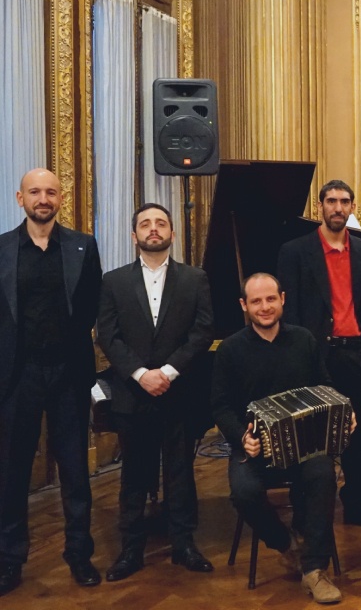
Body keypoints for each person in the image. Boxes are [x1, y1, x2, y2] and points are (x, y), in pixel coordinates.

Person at [96, 203, 214, 581]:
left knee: (181, 470)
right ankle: (131, 548)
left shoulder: (196, 279)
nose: (153, 229)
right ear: (134, 236)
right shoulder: (113, 281)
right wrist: (139, 374)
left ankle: (184, 543)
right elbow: (107, 335)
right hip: (134, 391)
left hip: (178, 390)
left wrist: (166, 371)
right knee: (134, 472)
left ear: (172, 234)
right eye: (145, 224)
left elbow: (203, 331)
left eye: (160, 223)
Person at [211, 273, 344, 604]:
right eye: (256, 301)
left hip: (305, 445)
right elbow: (221, 406)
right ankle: (286, 545)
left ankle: (314, 570)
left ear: (282, 298)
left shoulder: (304, 340)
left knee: (323, 473)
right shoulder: (230, 349)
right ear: (244, 306)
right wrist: (242, 436)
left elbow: (325, 386)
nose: (265, 307)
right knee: (243, 492)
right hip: (255, 448)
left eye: (270, 299)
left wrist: (343, 411)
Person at [0, 169, 102, 596]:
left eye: (51, 192)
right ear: (20, 196)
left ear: (62, 199)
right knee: (11, 472)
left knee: (76, 471)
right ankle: (9, 560)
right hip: (16, 376)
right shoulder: (3, 248)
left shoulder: (83, 245)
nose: (44, 199)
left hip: (68, 375)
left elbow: (93, 304)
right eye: (36, 192)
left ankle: (79, 554)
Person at [276, 179, 361, 527]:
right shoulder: (294, 251)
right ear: (319, 207)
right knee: (311, 435)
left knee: (355, 435)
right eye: (332, 201)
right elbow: (288, 313)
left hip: (356, 353)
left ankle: (356, 504)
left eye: (345, 201)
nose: (338, 208)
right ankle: (305, 509)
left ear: (353, 207)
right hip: (316, 355)